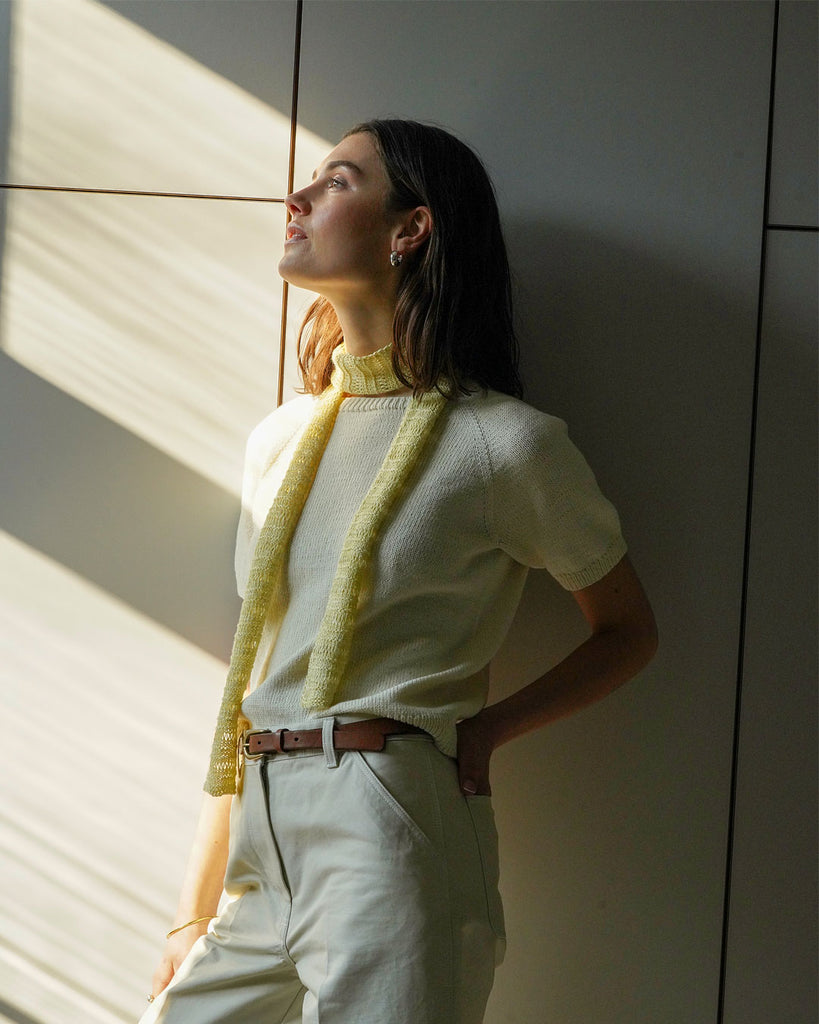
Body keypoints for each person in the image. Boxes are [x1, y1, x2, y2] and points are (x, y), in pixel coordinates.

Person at [141, 119, 657, 1024]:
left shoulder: (504, 444)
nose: (297, 198)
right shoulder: (280, 439)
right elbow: (252, 682)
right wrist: (194, 909)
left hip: (388, 818)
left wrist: (487, 731)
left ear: (410, 229)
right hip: (260, 831)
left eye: (337, 182)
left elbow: (626, 632)